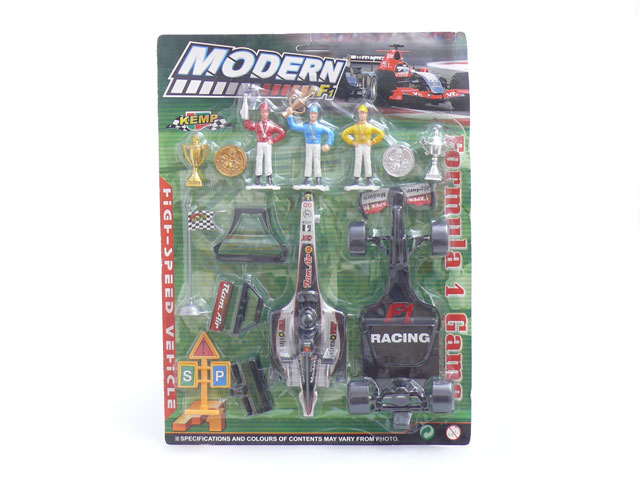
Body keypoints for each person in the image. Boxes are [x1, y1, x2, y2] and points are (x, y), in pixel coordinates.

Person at [283, 104, 334, 186]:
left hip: (317, 145)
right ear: (309, 114)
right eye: (311, 113)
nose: (313, 115)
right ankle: (307, 178)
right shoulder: (306, 126)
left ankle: (318, 179)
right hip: (308, 145)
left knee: (317, 162)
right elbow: (293, 126)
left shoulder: (320, 127)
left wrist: (328, 144)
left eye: (315, 113)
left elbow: (330, 132)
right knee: (308, 162)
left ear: (318, 115)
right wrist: (290, 115)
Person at [341, 104, 385, 186]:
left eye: (363, 113)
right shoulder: (355, 127)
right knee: (357, 161)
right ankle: (356, 179)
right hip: (358, 145)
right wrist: (352, 141)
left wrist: (373, 141)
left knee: (367, 161)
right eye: (360, 113)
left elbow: (381, 134)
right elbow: (344, 134)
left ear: (366, 114)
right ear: (358, 114)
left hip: (367, 145)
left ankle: (369, 179)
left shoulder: (370, 127)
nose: (362, 115)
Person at [243, 102, 286, 186]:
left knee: (268, 160)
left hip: (267, 143)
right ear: (260, 112)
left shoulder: (272, 125)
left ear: (268, 112)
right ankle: (258, 178)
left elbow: (282, 132)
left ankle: (269, 177)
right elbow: (249, 126)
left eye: (266, 112)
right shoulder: (258, 125)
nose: (264, 114)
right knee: (258, 160)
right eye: (263, 112)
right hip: (260, 143)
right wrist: (246, 117)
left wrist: (274, 140)